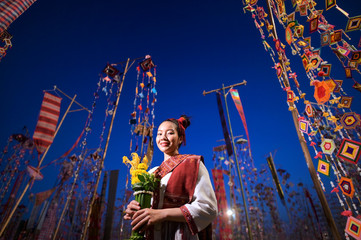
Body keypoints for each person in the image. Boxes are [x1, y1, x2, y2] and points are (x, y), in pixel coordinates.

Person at [124, 115, 217, 240]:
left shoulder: (192, 164)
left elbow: (208, 208)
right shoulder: (151, 172)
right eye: (159, 133)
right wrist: (135, 208)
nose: (163, 137)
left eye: (170, 133)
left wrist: (162, 214)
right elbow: (149, 211)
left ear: (180, 139)